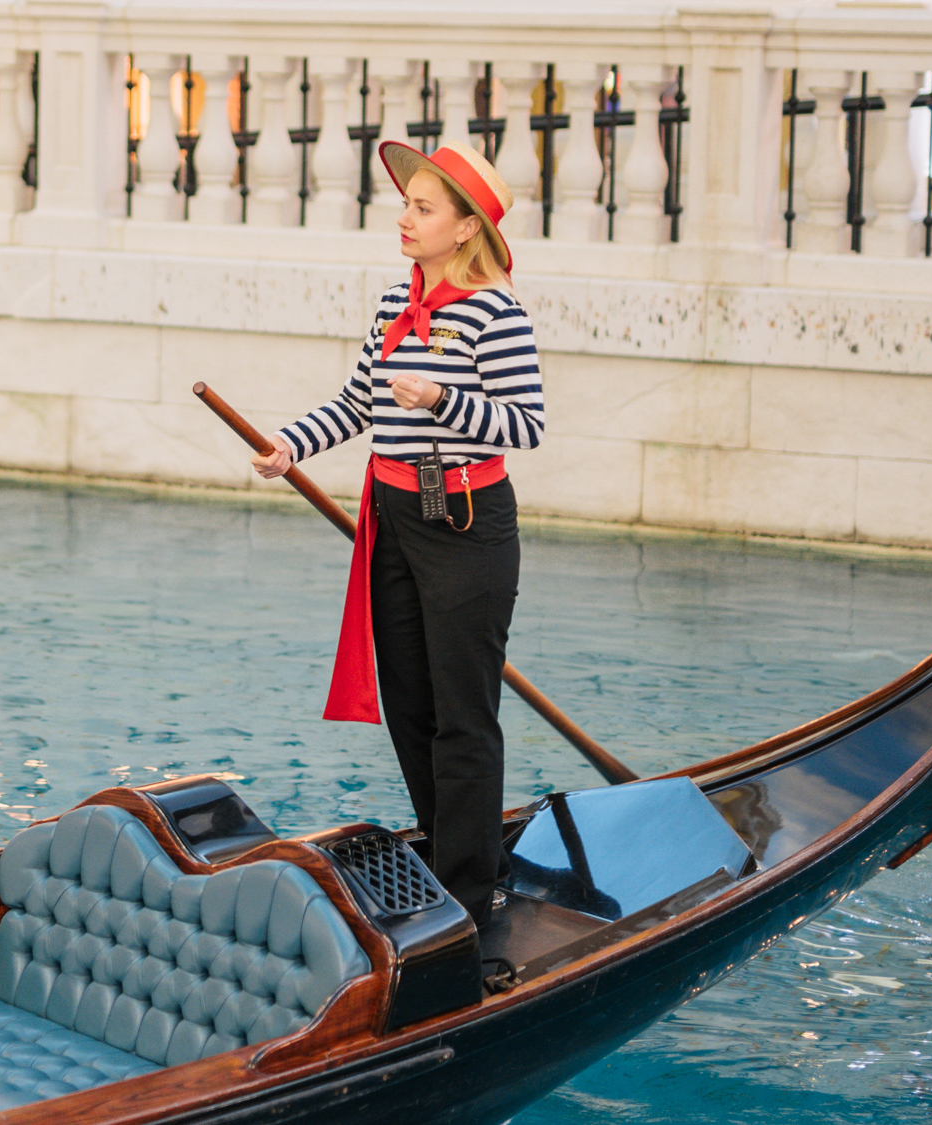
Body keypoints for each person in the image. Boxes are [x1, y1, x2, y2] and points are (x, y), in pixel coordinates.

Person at [253, 140, 542, 927]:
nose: (405, 218)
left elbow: (526, 424)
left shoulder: (496, 312)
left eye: (423, 207)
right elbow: (356, 405)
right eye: (407, 202)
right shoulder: (393, 304)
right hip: (394, 521)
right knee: (410, 703)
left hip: (467, 526)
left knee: (463, 715)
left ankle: (470, 893)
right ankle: (448, 853)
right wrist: (290, 446)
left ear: (464, 227)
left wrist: (445, 400)